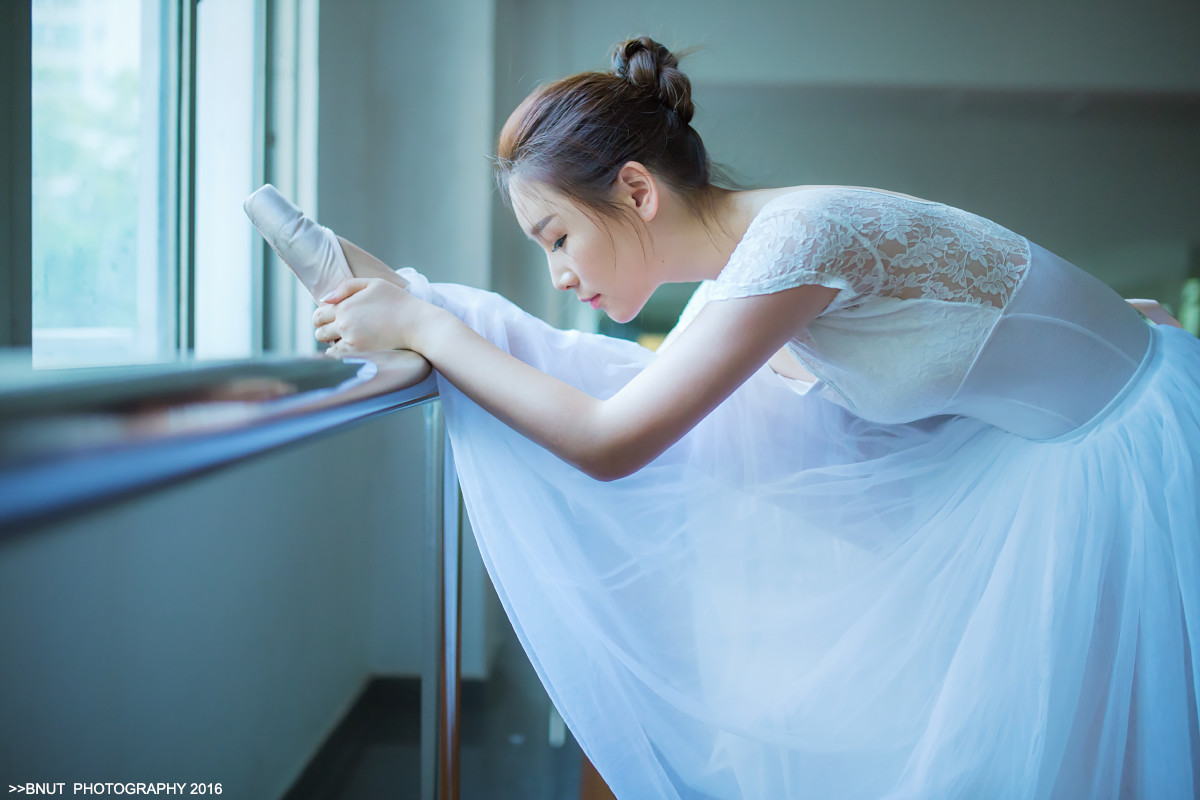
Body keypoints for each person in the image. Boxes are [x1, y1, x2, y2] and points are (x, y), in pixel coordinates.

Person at [245, 36, 1200, 799]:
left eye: (558, 236)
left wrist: (423, 328)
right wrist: (416, 302)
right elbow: (616, 383)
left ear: (635, 190)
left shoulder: (794, 243)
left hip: (1125, 456)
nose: (559, 273)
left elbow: (613, 440)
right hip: (1065, 447)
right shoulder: (746, 274)